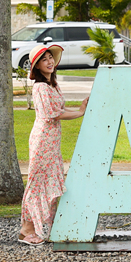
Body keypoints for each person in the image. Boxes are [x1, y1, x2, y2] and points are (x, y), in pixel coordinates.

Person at [18, 44, 89, 245]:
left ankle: (41, 228)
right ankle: (26, 230)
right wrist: (80, 112)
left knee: (49, 182)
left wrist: (79, 109)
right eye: (44, 59)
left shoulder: (53, 85)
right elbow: (53, 114)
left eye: (50, 57)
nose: (49, 62)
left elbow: (58, 109)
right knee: (38, 183)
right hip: (42, 140)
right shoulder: (40, 87)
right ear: (37, 67)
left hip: (52, 141)